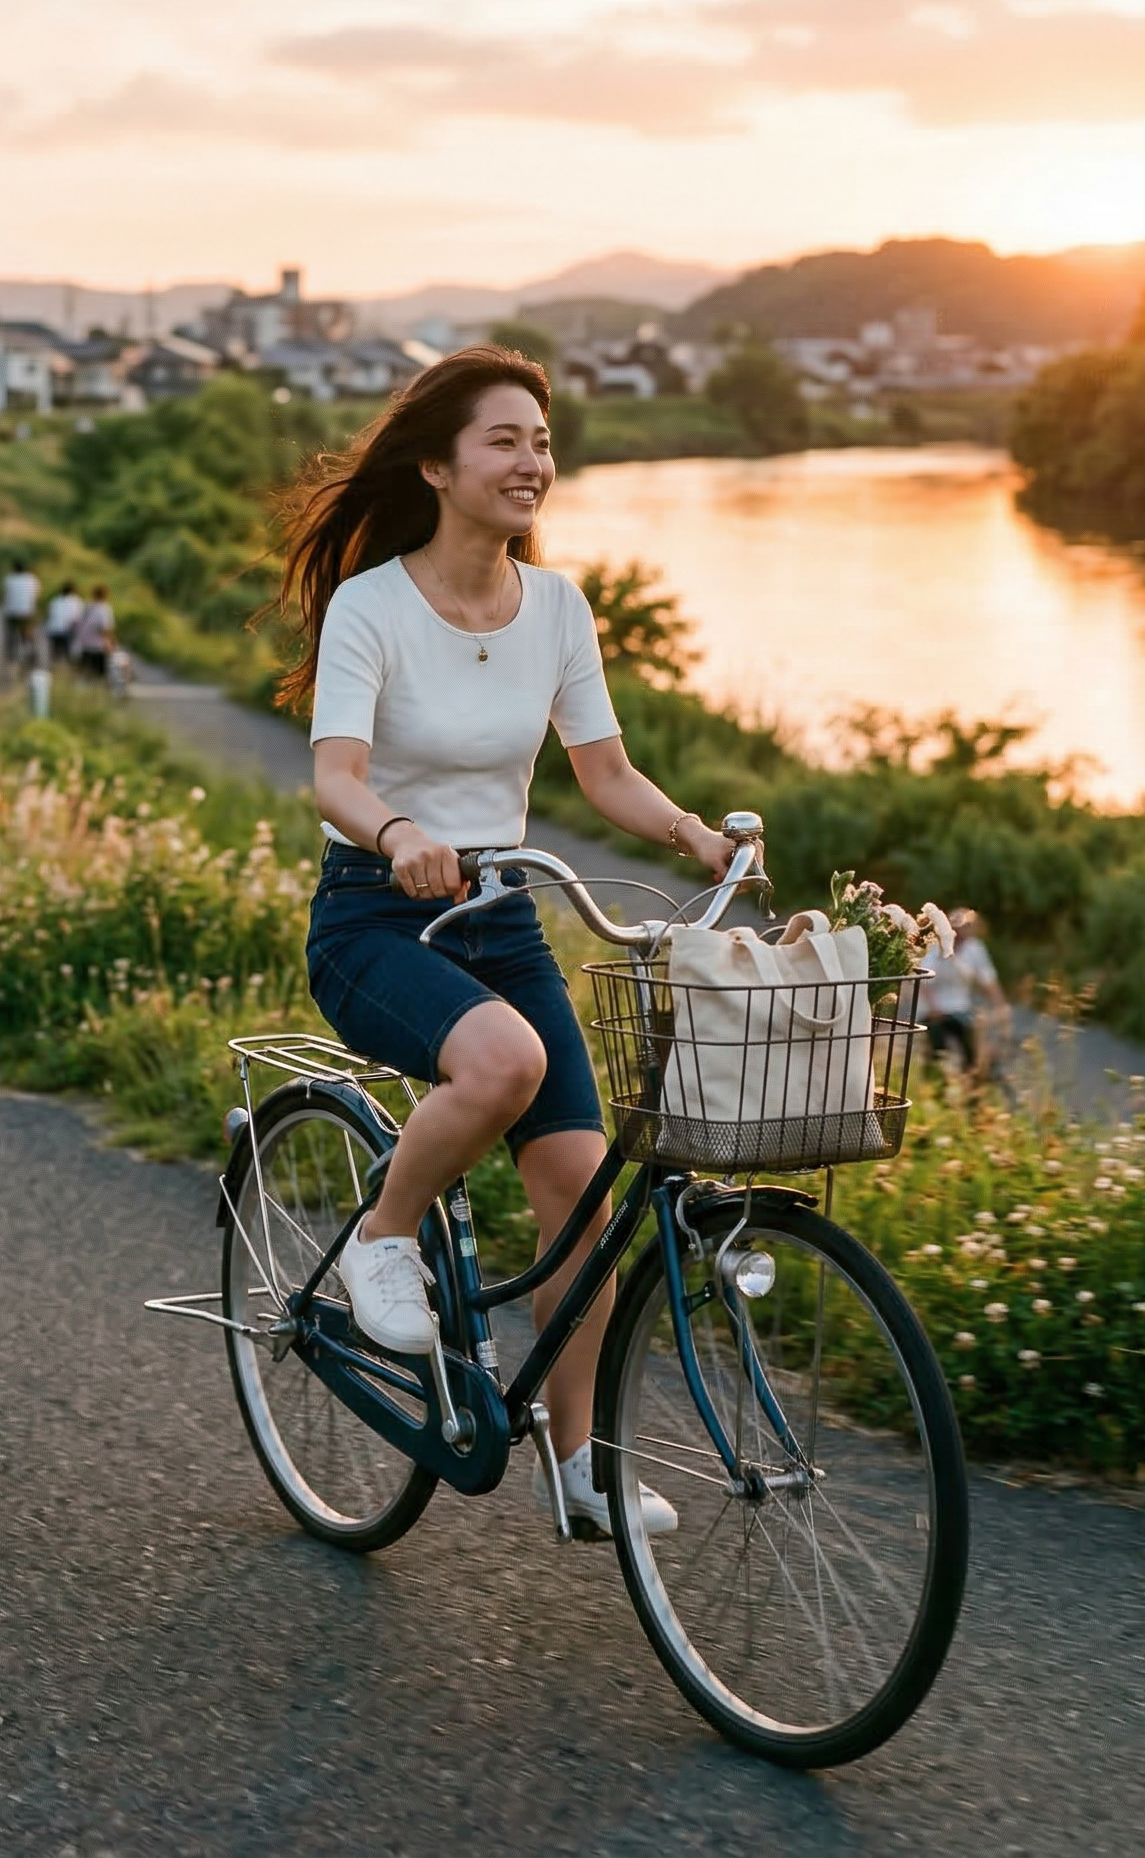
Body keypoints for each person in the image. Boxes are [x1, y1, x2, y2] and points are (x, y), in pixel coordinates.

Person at [276, 344, 737, 1539]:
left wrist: (692, 832)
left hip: (501, 917)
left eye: (540, 440)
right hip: (375, 913)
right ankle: (383, 1236)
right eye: (503, 439)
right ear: (436, 466)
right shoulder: (372, 604)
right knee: (505, 1062)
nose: (531, 459)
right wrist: (397, 832)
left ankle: (577, 1466)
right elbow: (335, 776)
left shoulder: (558, 607)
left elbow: (605, 771)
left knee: (580, 1196)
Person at [919, 907, 1006, 1081]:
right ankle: (935, 1082)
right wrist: (934, 1008)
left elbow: (987, 979)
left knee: (970, 1046)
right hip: (934, 1010)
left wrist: (1000, 1005)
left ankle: (970, 1080)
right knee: (937, 1047)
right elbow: (924, 980)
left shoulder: (975, 949)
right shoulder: (936, 949)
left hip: (960, 1008)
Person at [0, 556, 41, 667]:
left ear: (14, 568)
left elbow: (4, 595)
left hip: (12, 611)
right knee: (29, 634)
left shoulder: (9, 579)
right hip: (27, 612)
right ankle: (31, 653)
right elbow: (36, 595)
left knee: (11, 633)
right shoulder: (32, 579)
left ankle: (11, 656)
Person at [73, 584, 115, 679]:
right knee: (99, 676)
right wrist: (111, 644)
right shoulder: (104, 608)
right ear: (106, 595)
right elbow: (105, 629)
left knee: (86, 675)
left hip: (85, 645)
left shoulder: (87, 606)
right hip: (98, 647)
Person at [43, 580, 83, 665]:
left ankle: (54, 665)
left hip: (53, 631)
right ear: (73, 591)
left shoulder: (55, 600)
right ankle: (68, 664)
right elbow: (78, 619)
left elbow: (49, 615)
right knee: (69, 652)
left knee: (55, 652)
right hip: (67, 632)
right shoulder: (76, 601)